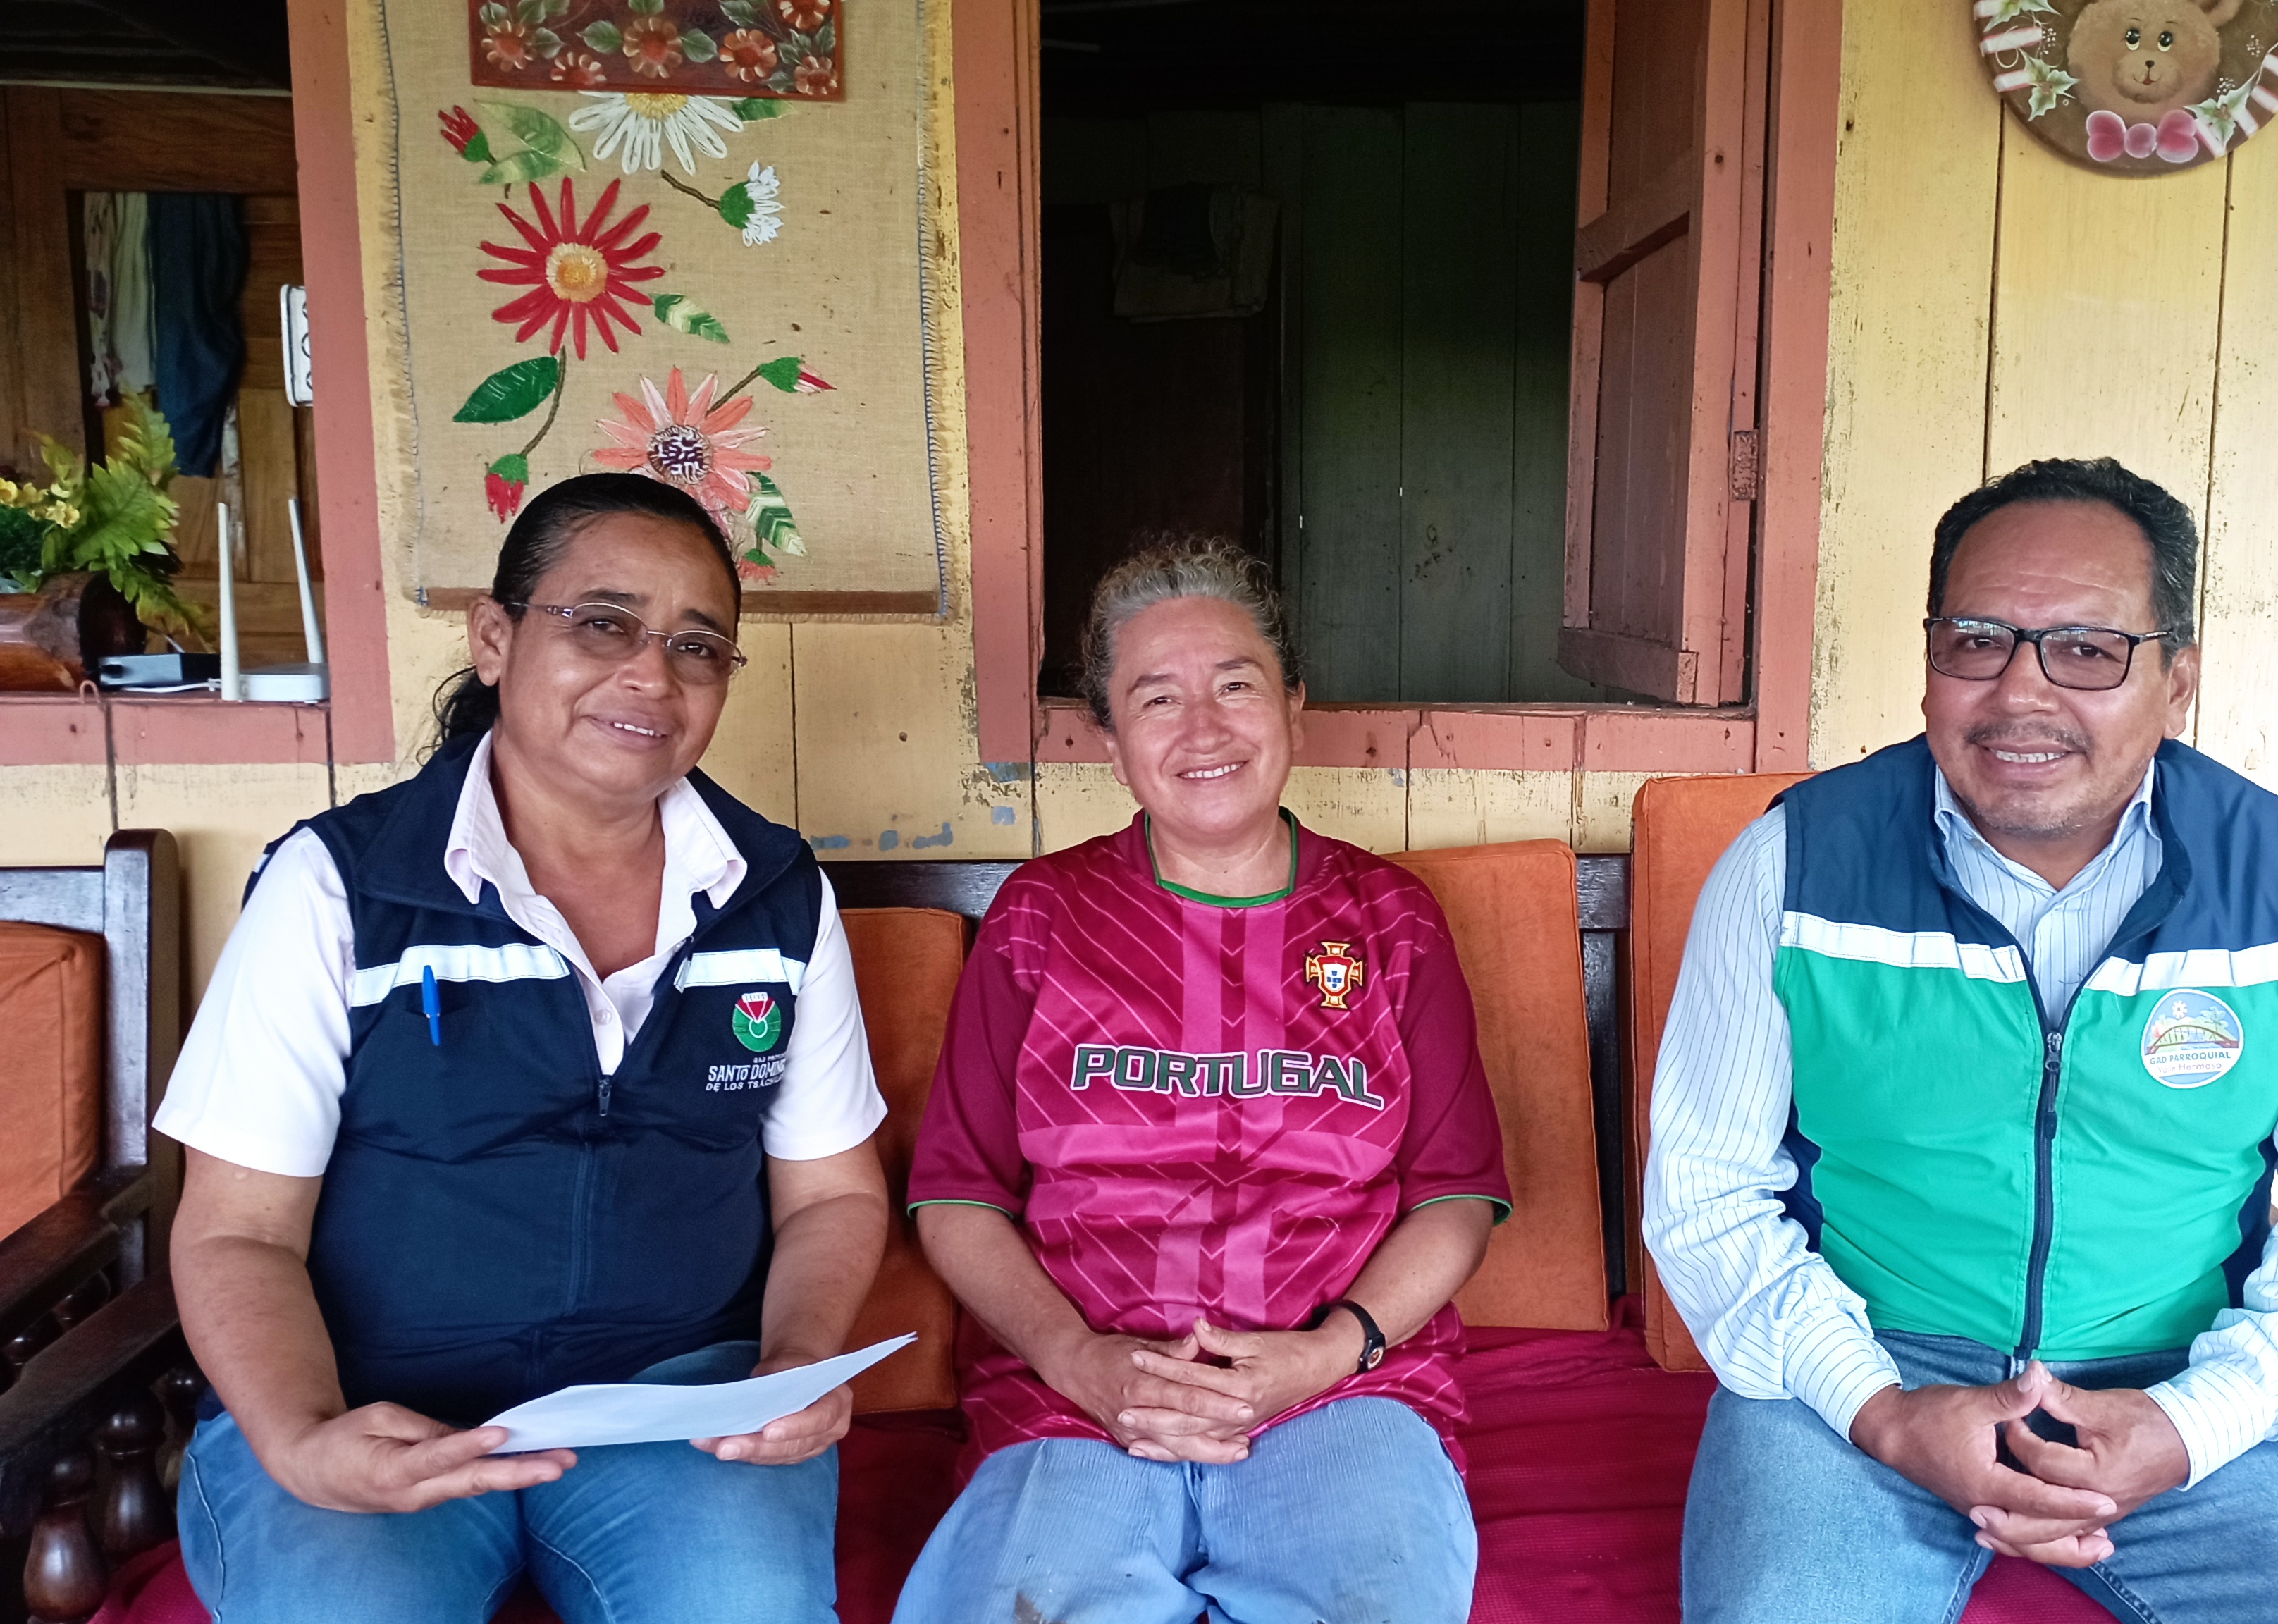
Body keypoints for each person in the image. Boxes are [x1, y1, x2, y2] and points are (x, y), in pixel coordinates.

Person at [1642, 457, 2278, 1622]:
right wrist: (1881, 1409)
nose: (2020, 693)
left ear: (2177, 683)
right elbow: (1707, 1192)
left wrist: (2192, 1422)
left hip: (2185, 1376)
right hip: (1867, 1375)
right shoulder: (1793, 870)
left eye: (2087, 650)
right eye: (1977, 641)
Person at [155, 473, 890, 1623]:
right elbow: (237, 1230)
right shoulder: (343, 887)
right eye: (602, 624)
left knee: (745, 1604)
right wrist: (303, 1437)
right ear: (494, 638)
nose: (651, 674)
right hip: (371, 1401)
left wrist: (791, 1364)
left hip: (679, 1407)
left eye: (698, 647)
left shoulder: (776, 895)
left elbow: (833, 1195)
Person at [890, 537, 1510, 1624]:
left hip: (1343, 1393)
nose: (1204, 729)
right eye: (1157, 699)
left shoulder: (1391, 921)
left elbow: (1455, 1194)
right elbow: (958, 1196)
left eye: (1236, 685)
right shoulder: (1043, 918)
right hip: (1081, 1400)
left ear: (1293, 704)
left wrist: (1328, 1353)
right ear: (1110, 738)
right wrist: (1079, 1360)